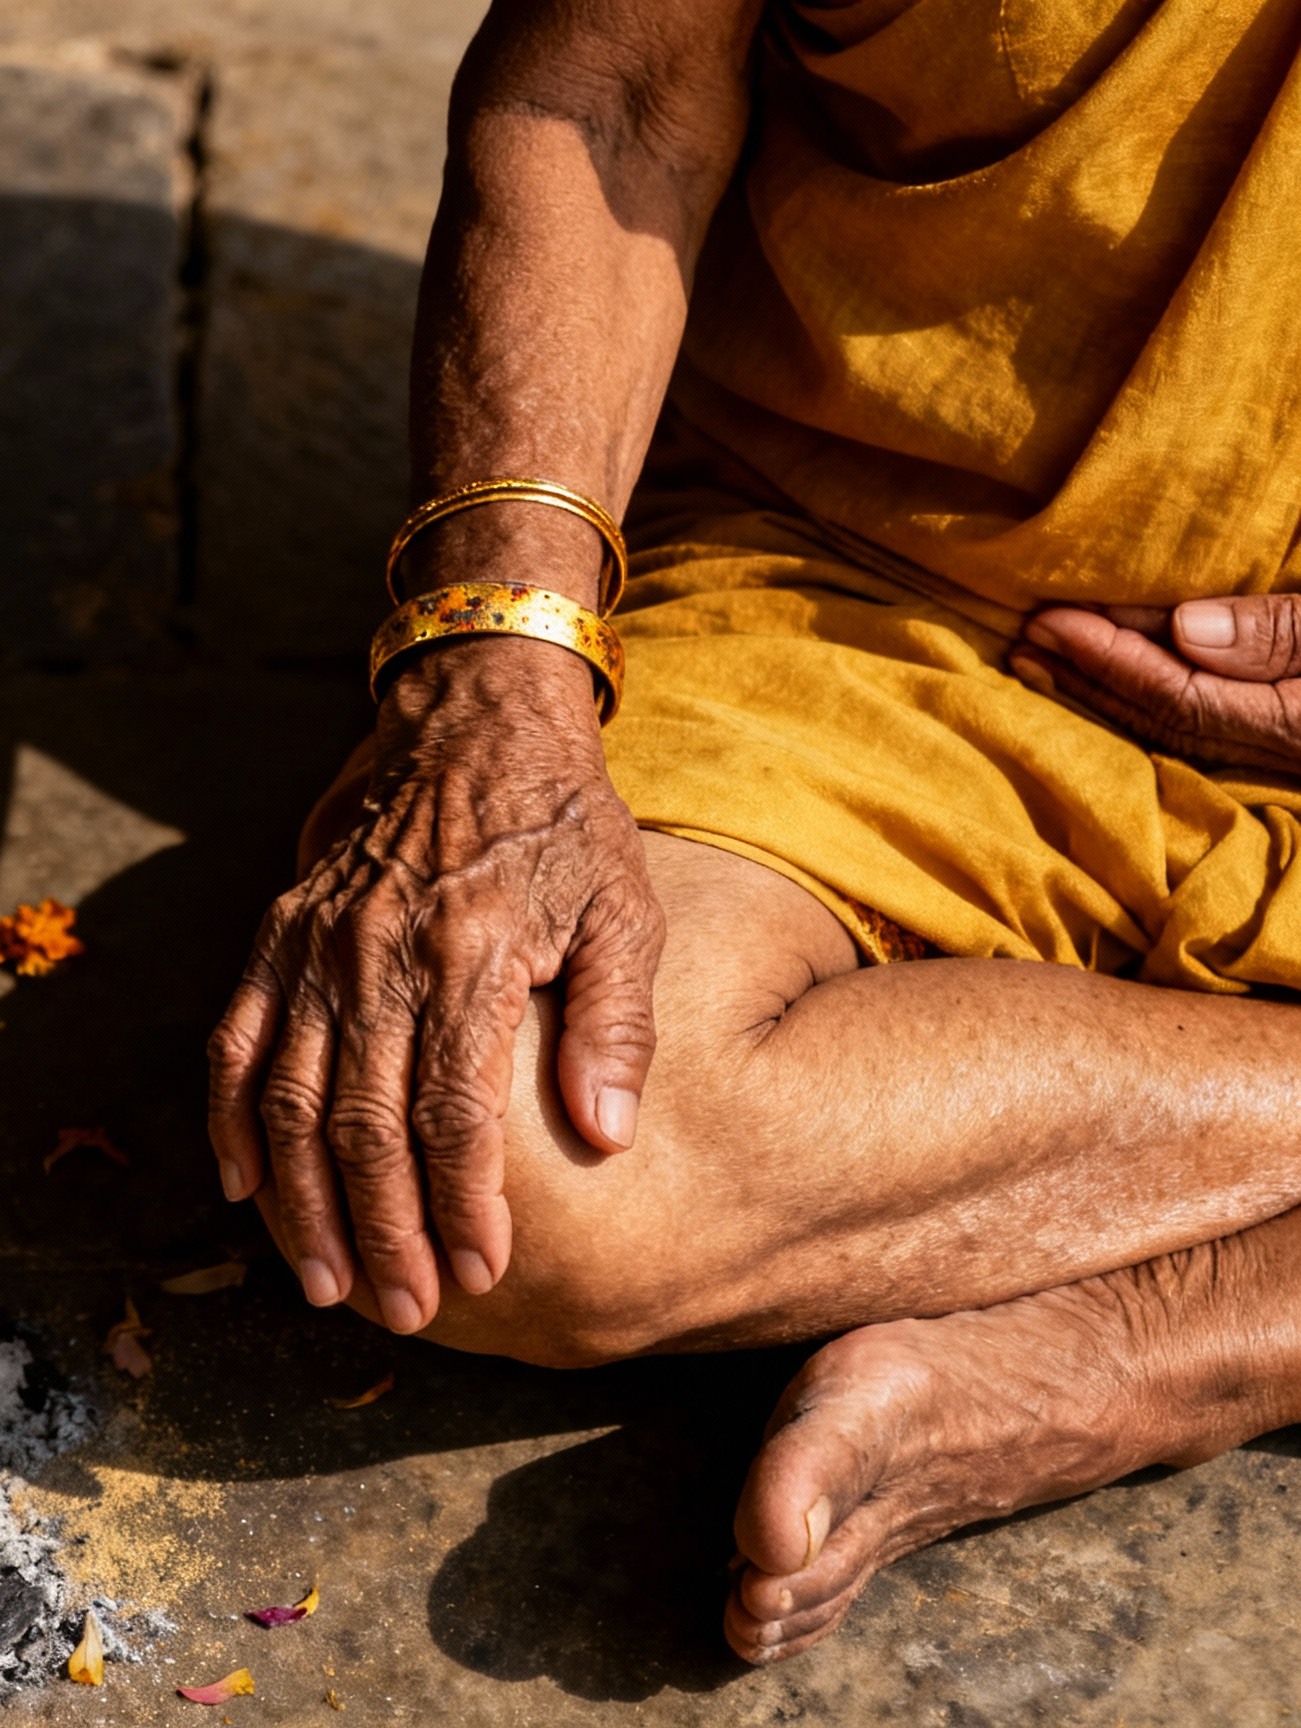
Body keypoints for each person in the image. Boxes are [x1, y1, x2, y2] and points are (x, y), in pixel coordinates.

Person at [207, 0, 1301, 1665]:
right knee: (512, 1152)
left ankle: (1182, 1344)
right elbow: (611, 90)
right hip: (874, 581)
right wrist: (498, 662)